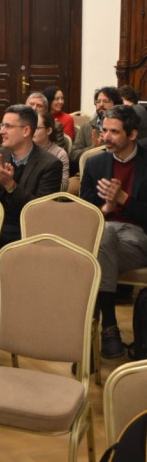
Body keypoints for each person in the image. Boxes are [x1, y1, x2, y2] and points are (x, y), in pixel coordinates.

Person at [80, 105, 147, 359]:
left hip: (137, 237)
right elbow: (84, 210)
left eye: (114, 132)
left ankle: (98, 331)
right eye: (104, 130)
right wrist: (105, 208)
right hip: (102, 234)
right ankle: (108, 326)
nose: (105, 137)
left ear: (132, 134)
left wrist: (124, 199)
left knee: (92, 258)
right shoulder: (95, 163)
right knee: (104, 237)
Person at [0, 104, 63, 248]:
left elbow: (41, 211)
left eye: (8, 126)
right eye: (1, 125)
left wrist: (10, 186)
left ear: (26, 131)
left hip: (26, 233)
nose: (1, 131)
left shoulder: (50, 164)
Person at [71, 86, 122, 165]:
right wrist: (93, 148)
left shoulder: (122, 127)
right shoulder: (86, 127)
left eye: (106, 101)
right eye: (98, 101)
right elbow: (73, 155)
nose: (101, 104)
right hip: (91, 169)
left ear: (116, 104)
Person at [34, 109, 70, 191]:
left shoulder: (60, 154)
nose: (32, 131)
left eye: (36, 128)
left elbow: (64, 187)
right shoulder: (25, 149)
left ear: (49, 131)